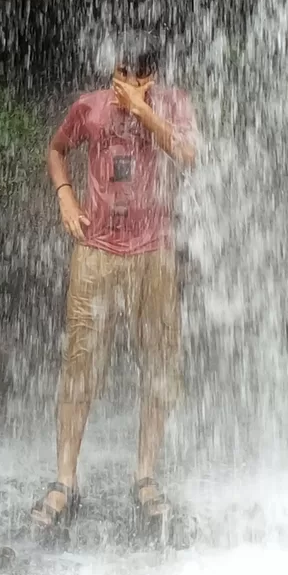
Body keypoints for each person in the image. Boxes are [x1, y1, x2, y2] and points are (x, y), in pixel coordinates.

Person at [30, 43, 196, 537]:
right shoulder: (89, 107)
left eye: (138, 78)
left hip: (154, 253)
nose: (127, 85)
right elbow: (56, 150)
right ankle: (64, 480)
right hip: (96, 251)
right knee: (80, 364)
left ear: (153, 77)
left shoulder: (173, 104)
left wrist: (144, 111)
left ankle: (145, 477)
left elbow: (188, 155)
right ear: (113, 70)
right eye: (122, 74)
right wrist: (65, 197)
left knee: (160, 364)